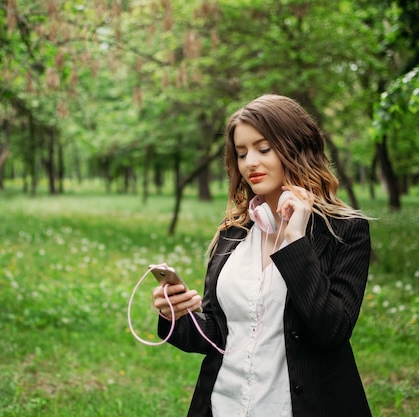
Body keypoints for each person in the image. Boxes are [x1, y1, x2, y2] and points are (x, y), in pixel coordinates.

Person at [153, 94, 372, 417]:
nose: (249, 163)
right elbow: (217, 333)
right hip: (224, 405)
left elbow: (332, 331)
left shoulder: (345, 231)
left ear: (296, 147)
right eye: (241, 154)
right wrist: (177, 315)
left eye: (263, 149)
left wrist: (295, 240)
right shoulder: (234, 233)